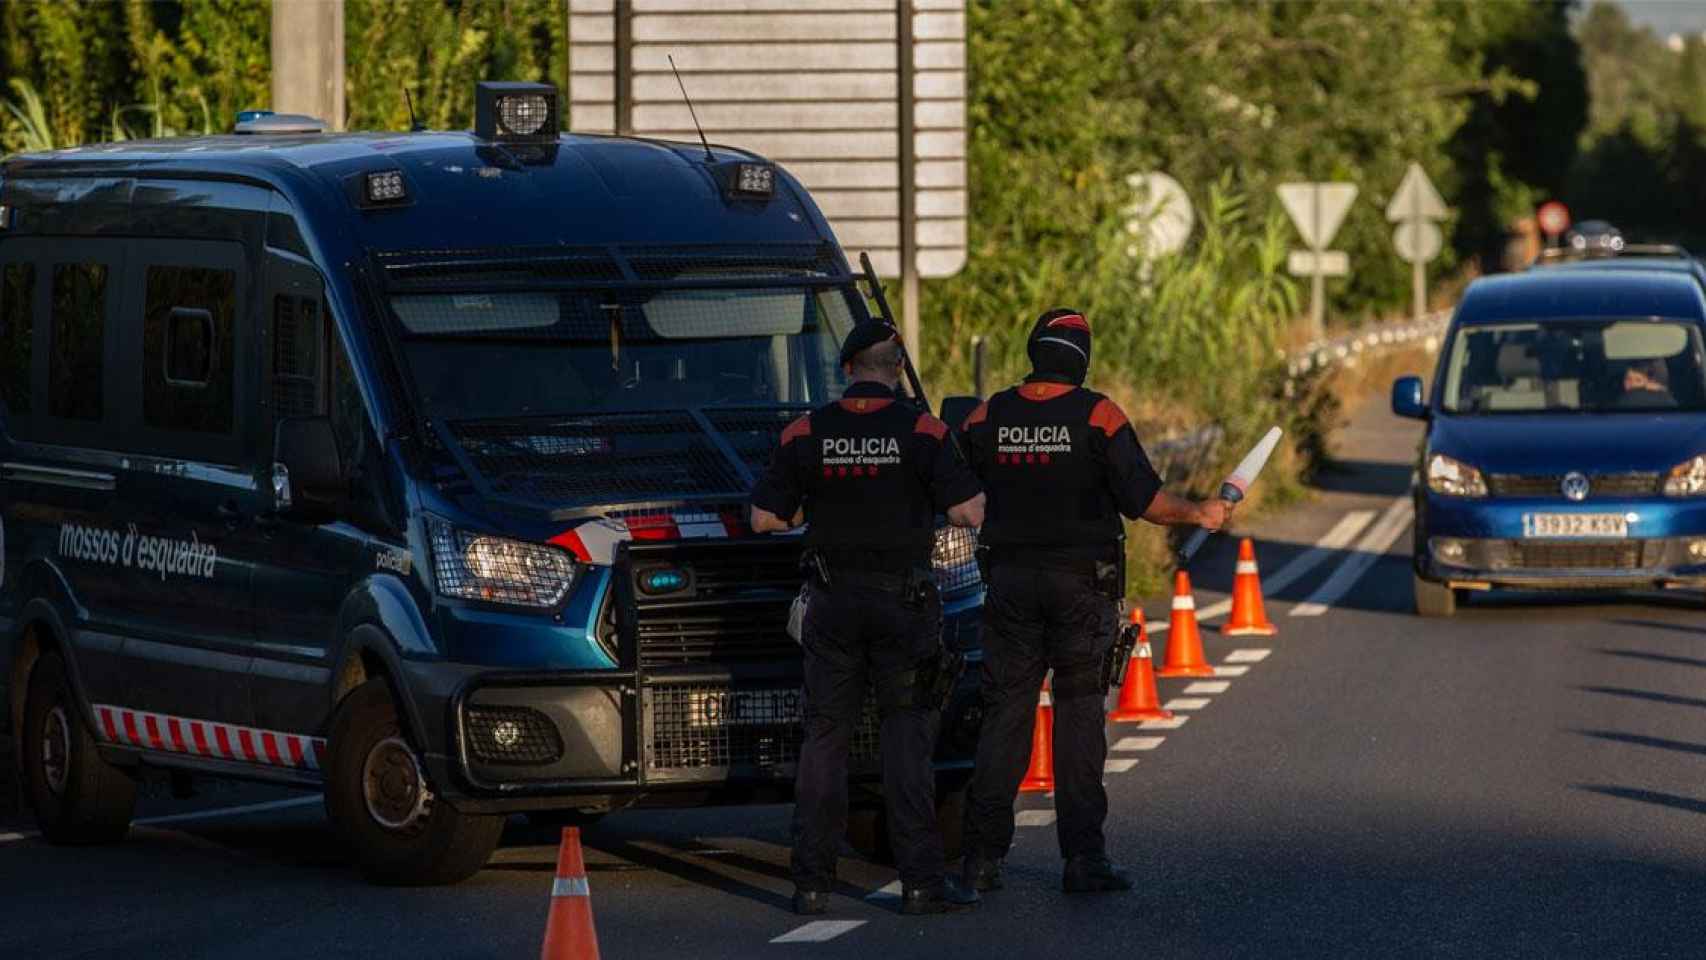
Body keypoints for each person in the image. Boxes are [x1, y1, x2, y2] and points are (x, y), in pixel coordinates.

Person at [958, 308, 1232, 894]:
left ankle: (981, 858)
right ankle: (1083, 860)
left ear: (1034, 350)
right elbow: (1146, 501)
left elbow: (951, 485)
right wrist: (1198, 513)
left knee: (1005, 716)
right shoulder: (1099, 415)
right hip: (1082, 588)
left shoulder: (990, 414)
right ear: (1080, 359)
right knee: (1080, 719)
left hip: (1007, 585)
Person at [750, 318, 987, 917]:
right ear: (898, 369)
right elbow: (969, 513)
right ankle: (921, 883)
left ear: (848, 368)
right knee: (907, 741)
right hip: (904, 606)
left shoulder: (806, 432)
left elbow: (762, 520)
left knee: (824, 740)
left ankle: (810, 883)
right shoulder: (926, 431)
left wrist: (809, 512)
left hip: (831, 605)